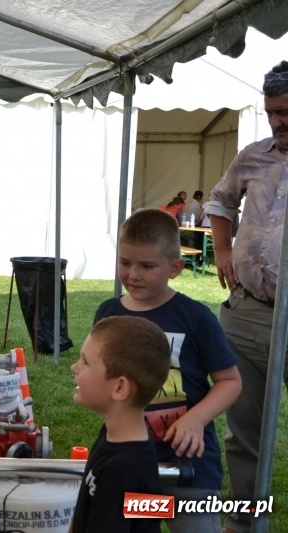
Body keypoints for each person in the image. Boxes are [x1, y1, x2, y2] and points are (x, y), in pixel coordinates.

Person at [94, 208, 241, 533]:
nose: (133, 274)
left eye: (147, 266)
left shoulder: (196, 318)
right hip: (125, 462)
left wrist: (196, 418)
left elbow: (230, 381)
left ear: (175, 268)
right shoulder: (109, 314)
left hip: (190, 466)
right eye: (125, 262)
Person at [206, 60, 288, 533]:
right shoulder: (254, 155)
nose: (278, 121)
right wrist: (220, 248)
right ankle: (243, 520)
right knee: (244, 427)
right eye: (271, 111)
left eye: (286, 111)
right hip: (248, 313)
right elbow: (219, 200)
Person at [70, 315, 172, 533]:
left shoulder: (126, 470)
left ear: (119, 388)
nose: (74, 367)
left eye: (85, 362)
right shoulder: (111, 433)